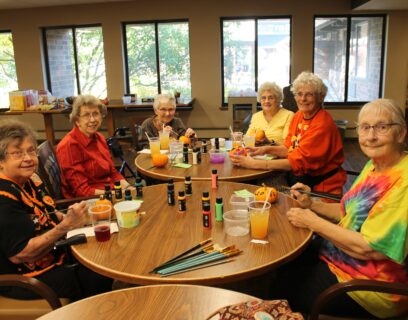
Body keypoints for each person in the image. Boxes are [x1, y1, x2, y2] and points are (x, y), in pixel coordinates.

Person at [275, 98, 408, 318]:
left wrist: (312, 221)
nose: (371, 136)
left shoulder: (403, 183)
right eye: (365, 127)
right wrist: (313, 205)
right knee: (284, 258)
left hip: (368, 287)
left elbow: (368, 249)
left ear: (401, 133)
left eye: (382, 127)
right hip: (338, 256)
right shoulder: (376, 165)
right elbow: (351, 214)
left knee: (282, 288)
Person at [0, 119, 112, 300]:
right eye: (17, 153)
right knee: (97, 273)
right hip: (24, 278)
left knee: (104, 254)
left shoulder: (31, 179)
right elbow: (21, 254)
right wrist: (66, 226)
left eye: (31, 150)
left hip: (54, 253)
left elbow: (47, 212)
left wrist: (72, 216)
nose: (28, 158)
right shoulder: (4, 198)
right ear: (1, 161)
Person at [231, 71, 346, 196]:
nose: (303, 99)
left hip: (321, 189)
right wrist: (265, 149)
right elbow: (288, 148)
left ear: (320, 97)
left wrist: (254, 163)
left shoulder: (322, 124)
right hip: (300, 179)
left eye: (309, 95)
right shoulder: (298, 116)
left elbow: (294, 162)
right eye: (299, 94)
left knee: (268, 197)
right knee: (258, 190)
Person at [56, 95, 132, 198]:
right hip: (88, 201)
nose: (92, 120)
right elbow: (82, 191)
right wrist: (118, 194)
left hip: (109, 192)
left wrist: (128, 188)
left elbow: (112, 172)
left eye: (95, 114)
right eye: (86, 115)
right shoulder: (69, 145)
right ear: (77, 120)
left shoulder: (99, 138)